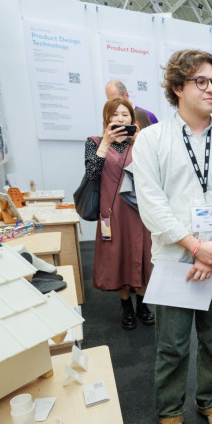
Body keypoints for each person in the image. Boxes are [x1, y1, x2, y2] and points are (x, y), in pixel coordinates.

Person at [132, 50, 212, 424]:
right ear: (178, 88)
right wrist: (195, 246)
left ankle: (210, 400)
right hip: (174, 259)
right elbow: (151, 203)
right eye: (202, 81)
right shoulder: (151, 139)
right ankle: (170, 412)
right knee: (173, 344)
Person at [84, 97, 153, 330]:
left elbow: (157, 173)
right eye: (115, 115)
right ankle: (126, 306)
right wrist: (105, 143)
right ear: (107, 118)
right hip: (111, 214)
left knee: (143, 258)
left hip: (140, 212)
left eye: (125, 115)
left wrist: (141, 141)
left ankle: (142, 304)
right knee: (118, 259)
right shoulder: (94, 142)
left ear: (132, 120)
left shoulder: (142, 142)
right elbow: (92, 174)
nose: (120, 119)